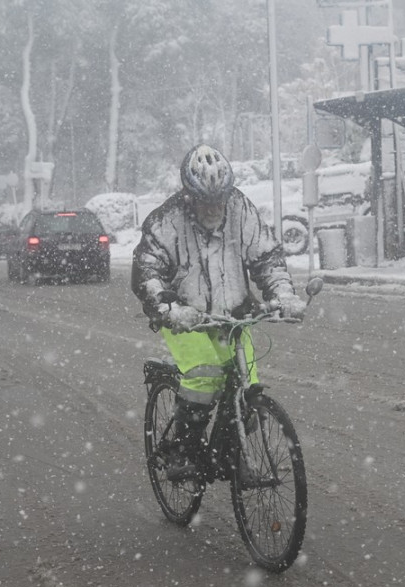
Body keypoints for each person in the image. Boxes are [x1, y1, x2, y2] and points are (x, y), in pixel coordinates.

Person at [131, 144, 306, 481]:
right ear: (188, 194)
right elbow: (147, 272)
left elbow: (266, 258)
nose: (213, 207)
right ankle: (183, 449)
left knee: (246, 386)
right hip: (186, 318)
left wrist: (283, 294)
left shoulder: (242, 209)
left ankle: (233, 456)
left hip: (234, 314)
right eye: (204, 201)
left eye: (219, 199)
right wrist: (168, 309)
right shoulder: (165, 221)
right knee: (205, 375)